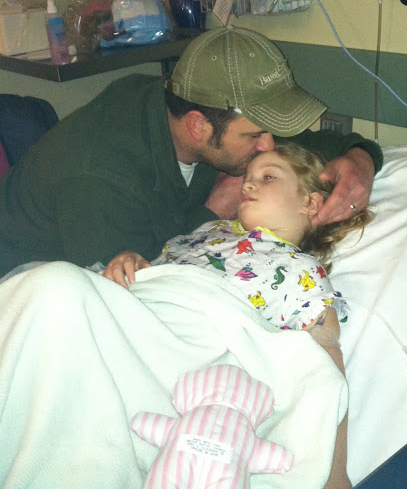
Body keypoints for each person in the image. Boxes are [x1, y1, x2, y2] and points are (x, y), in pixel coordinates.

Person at [0, 26, 382, 278]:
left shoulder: (194, 106)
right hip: (27, 289)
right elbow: (140, 287)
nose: (269, 145)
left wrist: (360, 160)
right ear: (198, 127)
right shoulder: (99, 179)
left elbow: (310, 145)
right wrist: (211, 213)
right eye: (255, 135)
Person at [101, 141, 373, 489]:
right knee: (55, 284)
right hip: (139, 315)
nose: (248, 184)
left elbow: (324, 367)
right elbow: (153, 272)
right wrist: (129, 259)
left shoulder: (301, 270)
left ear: (310, 203)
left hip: (191, 348)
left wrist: (335, 474)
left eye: (268, 177)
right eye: (248, 178)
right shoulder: (207, 231)